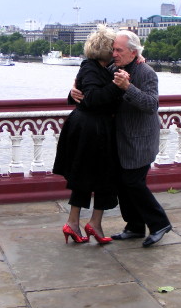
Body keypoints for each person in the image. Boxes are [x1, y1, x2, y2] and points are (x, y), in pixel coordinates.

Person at [71, 31, 172, 247]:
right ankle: (134, 226)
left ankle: (159, 223)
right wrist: (73, 92)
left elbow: (151, 105)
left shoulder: (146, 72)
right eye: (113, 50)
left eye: (119, 50)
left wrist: (128, 88)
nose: (114, 54)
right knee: (121, 182)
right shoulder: (114, 68)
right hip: (119, 138)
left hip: (139, 139)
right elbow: (91, 83)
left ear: (133, 52)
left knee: (132, 182)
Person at [53, 25, 124, 245]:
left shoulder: (97, 67)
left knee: (85, 176)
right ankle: (90, 223)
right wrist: (117, 87)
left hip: (89, 127)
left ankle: (75, 223)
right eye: (114, 47)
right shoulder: (92, 68)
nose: (115, 52)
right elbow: (92, 98)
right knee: (102, 177)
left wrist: (71, 94)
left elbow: (82, 91)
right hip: (92, 130)